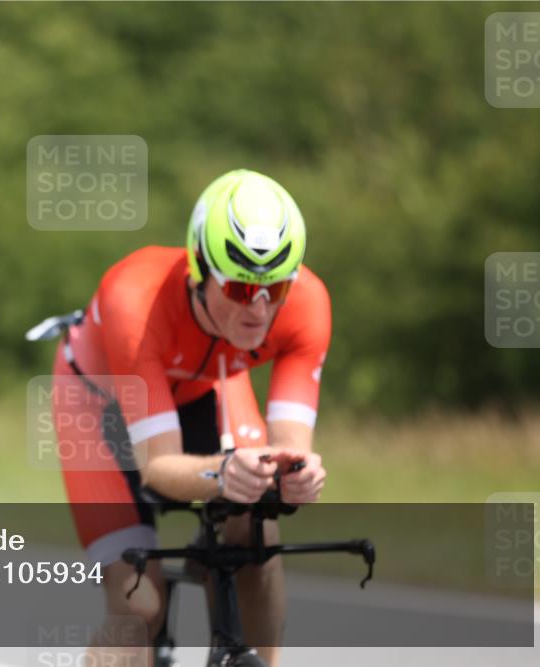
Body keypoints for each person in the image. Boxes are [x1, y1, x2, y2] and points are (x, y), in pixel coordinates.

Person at [47, 169, 330, 666]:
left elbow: (290, 449)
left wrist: (294, 476)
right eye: (242, 290)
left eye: (275, 289)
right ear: (200, 269)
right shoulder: (136, 300)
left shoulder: (307, 304)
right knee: (139, 604)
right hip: (99, 404)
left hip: (205, 387)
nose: (260, 310)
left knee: (259, 535)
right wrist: (221, 474)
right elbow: (159, 467)